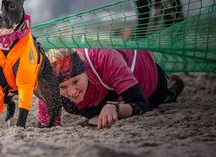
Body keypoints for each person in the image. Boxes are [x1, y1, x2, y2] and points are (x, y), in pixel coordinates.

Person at [38, 48, 184, 130]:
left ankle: (172, 87)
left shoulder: (106, 60)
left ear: (86, 71)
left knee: (161, 100)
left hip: (148, 82)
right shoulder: (49, 85)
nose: (72, 91)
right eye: (63, 87)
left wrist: (115, 107)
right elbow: (47, 125)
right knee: (81, 107)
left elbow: (142, 104)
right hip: (98, 96)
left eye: (75, 81)